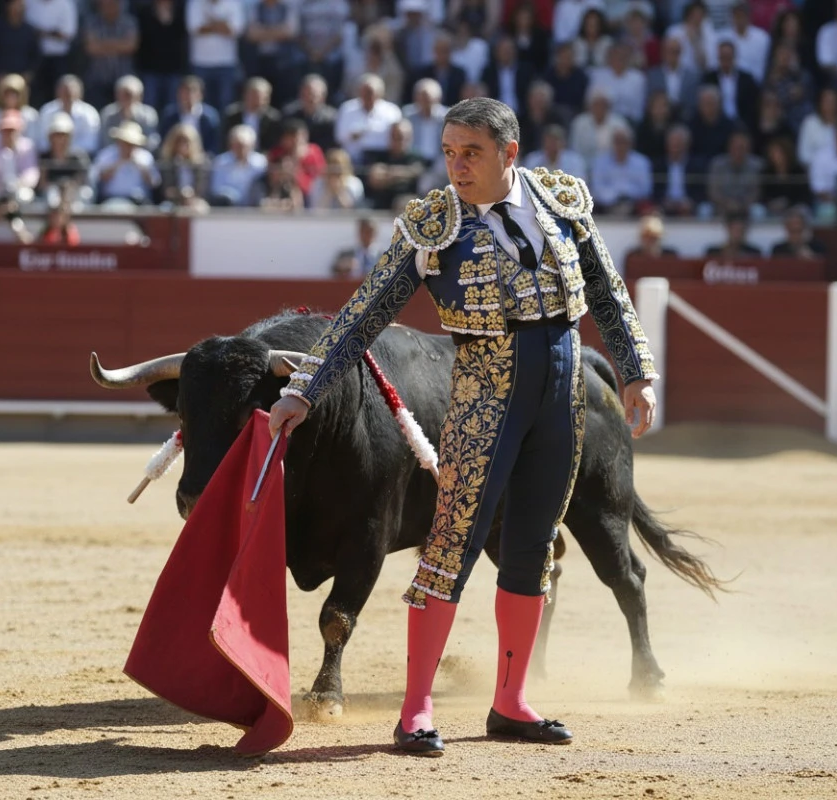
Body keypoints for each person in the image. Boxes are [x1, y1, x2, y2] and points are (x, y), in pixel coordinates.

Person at [266, 97, 658, 757]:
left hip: (561, 391)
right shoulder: (432, 225)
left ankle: (510, 702)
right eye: (448, 151)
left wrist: (636, 371)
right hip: (483, 394)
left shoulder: (563, 200)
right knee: (450, 545)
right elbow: (362, 314)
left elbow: (608, 290)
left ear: (509, 152)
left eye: (469, 152)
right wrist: (306, 386)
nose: (455, 166)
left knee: (532, 546)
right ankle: (415, 709)